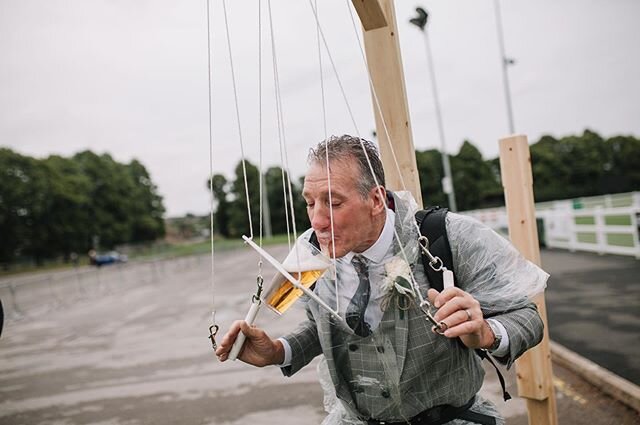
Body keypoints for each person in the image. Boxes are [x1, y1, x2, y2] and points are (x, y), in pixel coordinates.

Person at [216, 135, 547, 424]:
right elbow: (323, 326)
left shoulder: (451, 237)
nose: (317, 220)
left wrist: (486, 333)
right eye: (310, 203)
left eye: (333, 203)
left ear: (375, 200)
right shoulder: (310, 252)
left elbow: (528, 318)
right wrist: (277, 351)